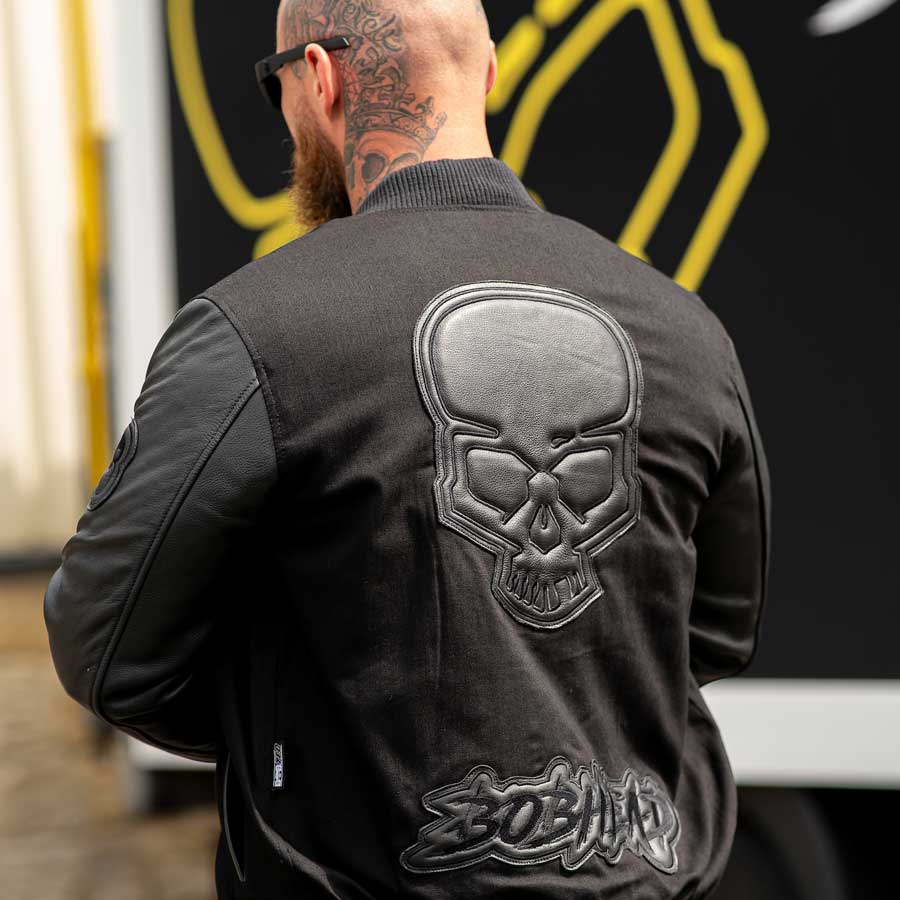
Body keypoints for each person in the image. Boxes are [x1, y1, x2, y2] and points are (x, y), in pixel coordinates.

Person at [44, 1, 772, 897]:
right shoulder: (686, 332)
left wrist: (302, 727)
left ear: (319, 78)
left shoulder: (256, 332)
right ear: (489, 72)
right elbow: (719, 628)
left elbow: (106, 644)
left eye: (277, 88)